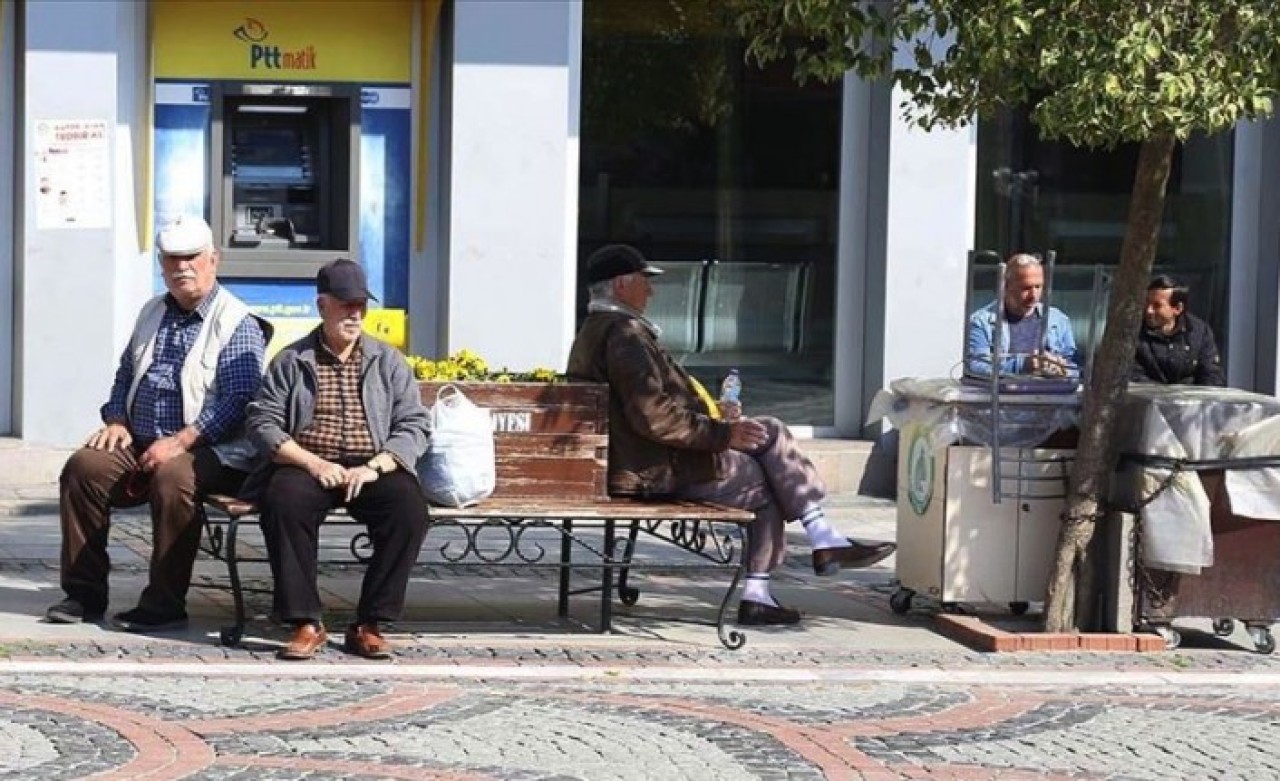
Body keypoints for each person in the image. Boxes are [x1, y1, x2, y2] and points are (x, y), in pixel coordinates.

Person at [566, 244, 896, 627]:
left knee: (769, 432)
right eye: (645, 281)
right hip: (652, 470)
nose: (651, 291)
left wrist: (717, 418)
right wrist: (723, 434)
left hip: (643, 461)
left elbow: (649, 411)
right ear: (622, 285)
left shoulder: (603, 330)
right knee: (767, 479)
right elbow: (651, 417)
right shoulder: (624, 335)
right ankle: (785, 568)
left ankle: (817, 540)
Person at [47, 215, 270, 631]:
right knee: (85, 467)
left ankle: (165, 603)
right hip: (142, 440)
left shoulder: (238, 321)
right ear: (162, 265)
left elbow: (240, 401)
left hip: (212, 449)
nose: (182, 267)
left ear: (213, 260)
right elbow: (125, 375)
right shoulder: (152, 311)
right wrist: (116, 419)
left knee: (173, 477)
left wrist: (182, 441)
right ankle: (83, 594)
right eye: (172, 259)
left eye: (191, 257)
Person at [244, 259, 430, 660]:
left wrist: (377, 464)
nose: (356, 314)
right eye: (346, 305)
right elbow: (262, 421)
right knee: (283, 501)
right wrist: (312, 464)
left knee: (408, 508)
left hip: (371, 463)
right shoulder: (292, 360)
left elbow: (415, 424)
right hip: (309, 461)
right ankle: (306, 622)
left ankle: (370, 623)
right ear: (322, 305)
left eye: (361, 305)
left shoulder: (387, 360)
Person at [966, 253, 1081, 378]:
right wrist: (1023, 365)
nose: (1034, 295)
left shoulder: (1058, 320)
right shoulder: (981, 322)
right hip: (1004, 395)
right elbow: (976, 366)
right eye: (1026, 288)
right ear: (1006, 287)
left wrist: (1062, 370)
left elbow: (1075, 366)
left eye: (1038, 287)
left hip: (1049, 394)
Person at [1130, 275, 1225, 386]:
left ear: (1178, 308)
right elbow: (1131, 375)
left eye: (1157, 305)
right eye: (1147, 303)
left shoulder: (1199, 332)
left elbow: (1211, 373)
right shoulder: (1133, 332)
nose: (1149, 311)